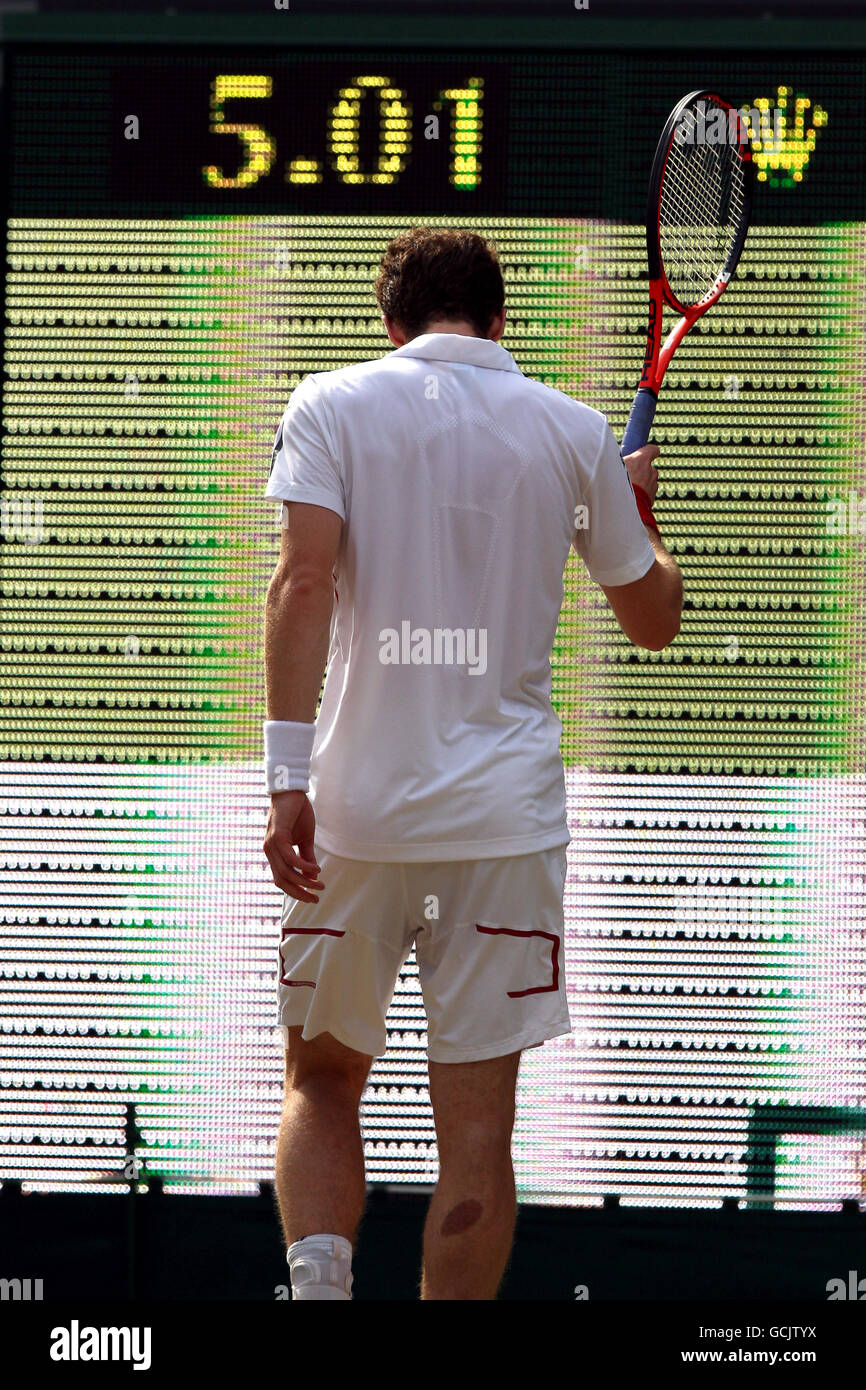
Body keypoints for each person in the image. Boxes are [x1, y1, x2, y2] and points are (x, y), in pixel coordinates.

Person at [261, 225, 683, 1301]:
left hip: (355, 817)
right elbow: (653, 620)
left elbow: (302, 585)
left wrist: (285, 780)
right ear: (498, 322)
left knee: (320, 1076)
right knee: (479, 1127)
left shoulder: (330, 404)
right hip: (504, 831)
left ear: (390, 323)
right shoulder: (573, 431)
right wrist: (634, 509)